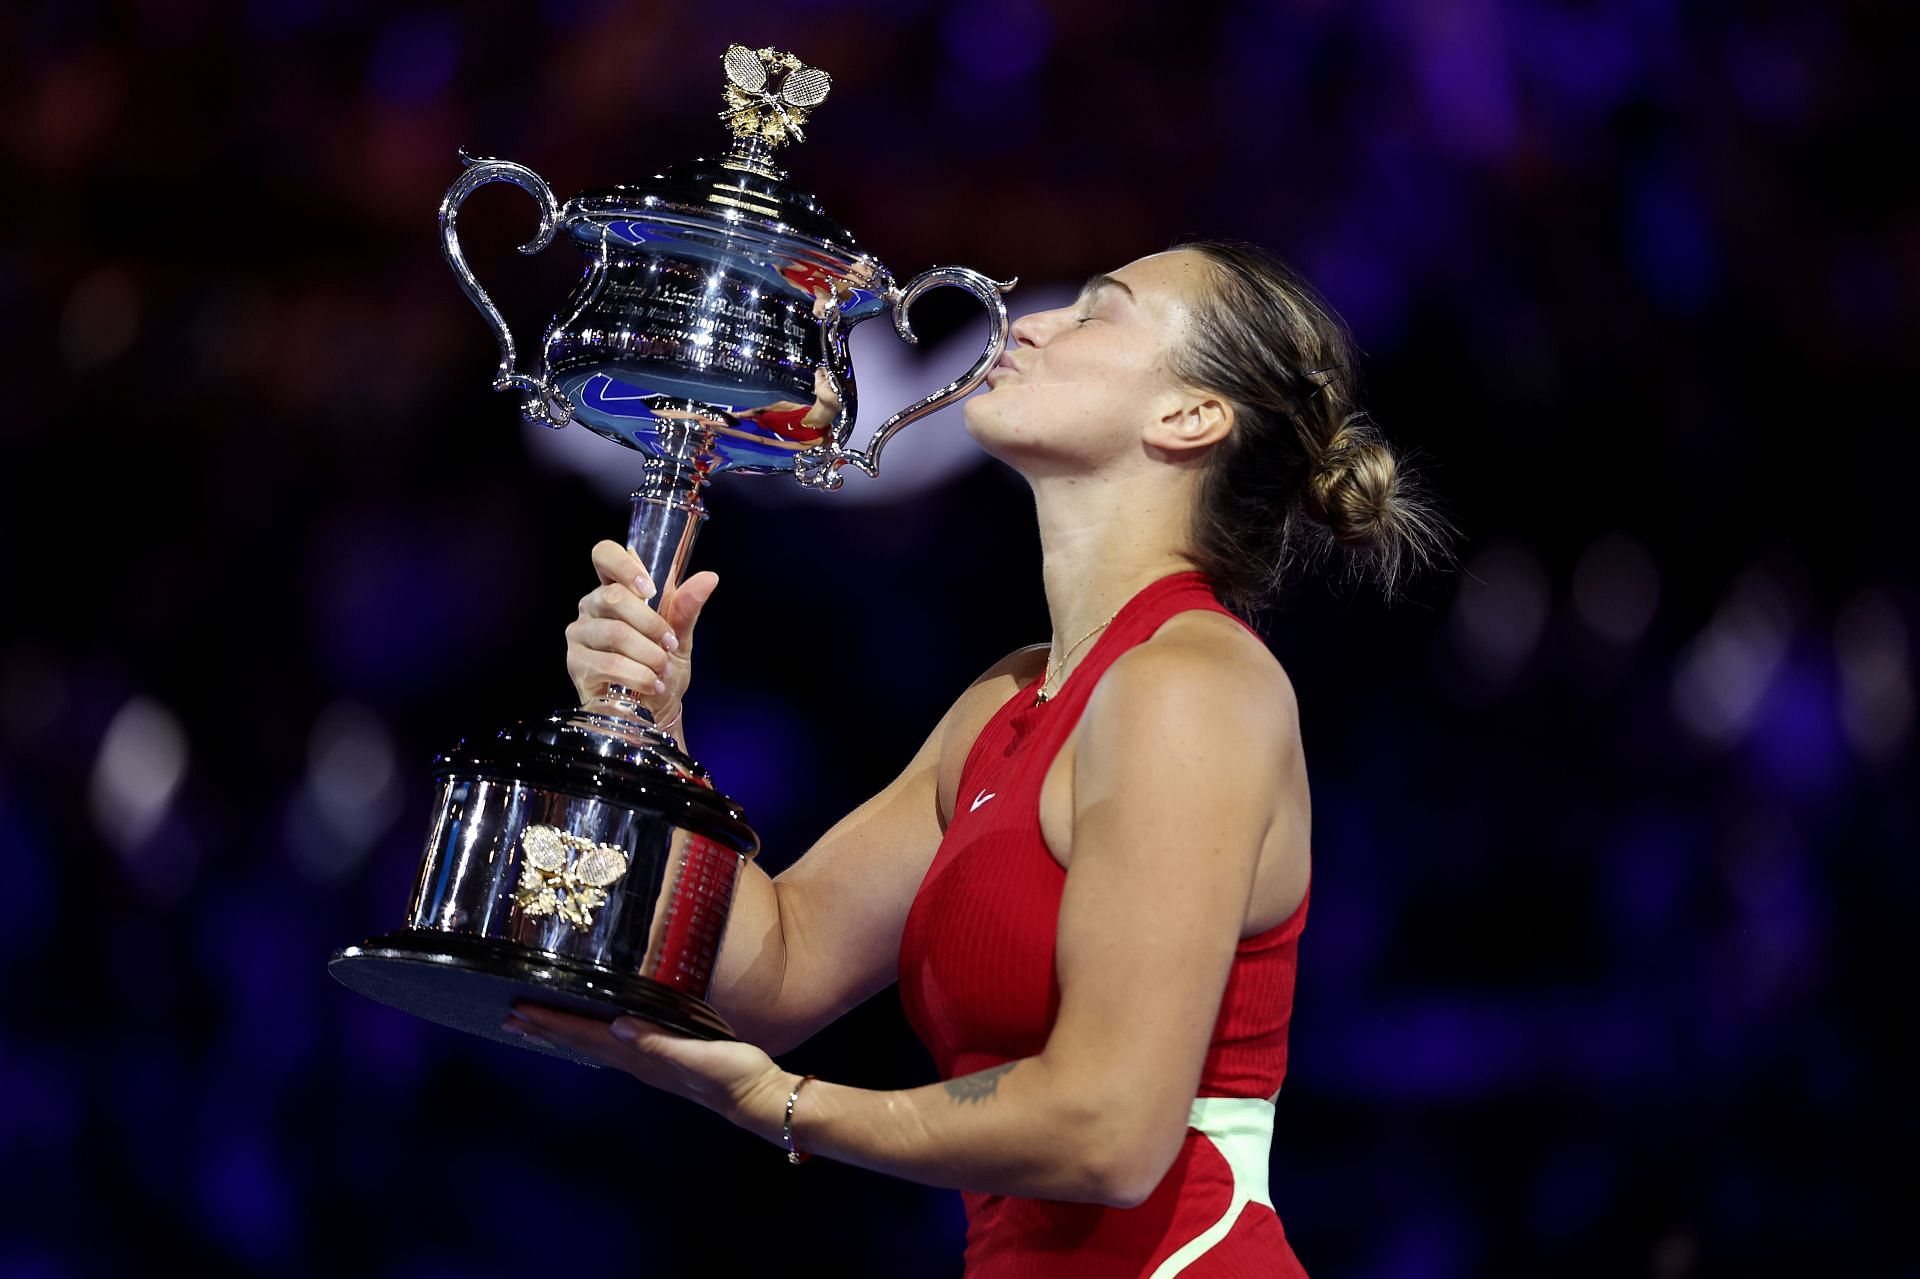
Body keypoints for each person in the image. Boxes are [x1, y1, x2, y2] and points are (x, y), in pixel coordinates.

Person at [503, 240, 1454, 1275]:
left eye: (1097, 311)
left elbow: (1110, 1129)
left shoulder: (1192, 684)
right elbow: (771, 968)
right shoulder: (1007, 698)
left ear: (1188, 418)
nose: (1028, 323)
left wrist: (781, 1104)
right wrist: (650, 727)